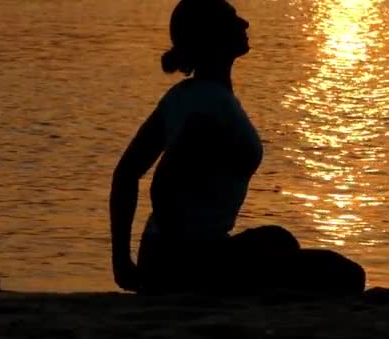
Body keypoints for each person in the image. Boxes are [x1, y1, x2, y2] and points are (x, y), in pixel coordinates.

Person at [109, 0, 365, 295]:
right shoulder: (209, 107)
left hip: (165, 255)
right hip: (188, 263)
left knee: (278, 239)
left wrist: (123, 261)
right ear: (213, 36)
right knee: (347, 276)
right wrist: (184, 253)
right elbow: (162, 185)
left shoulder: (182, 96)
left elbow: (126, 174)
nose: (245, 23)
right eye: (233, 19)